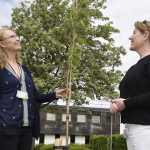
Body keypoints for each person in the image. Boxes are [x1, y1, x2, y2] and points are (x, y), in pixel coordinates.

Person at [0, 28, 67, 150]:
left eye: (17, 36)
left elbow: (34, 96)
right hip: (6, 127)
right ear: (2, 44)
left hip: (27, 128)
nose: (17, 39)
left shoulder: (24, 69)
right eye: (12, 37)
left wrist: (55, 94)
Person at [110, 20, 150, 150]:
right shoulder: (136, 66)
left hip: (145, 130)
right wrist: (118, 104)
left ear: (145, 35)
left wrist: (126, 103)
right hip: (132, 130)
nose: (130, 37)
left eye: (134, 32)